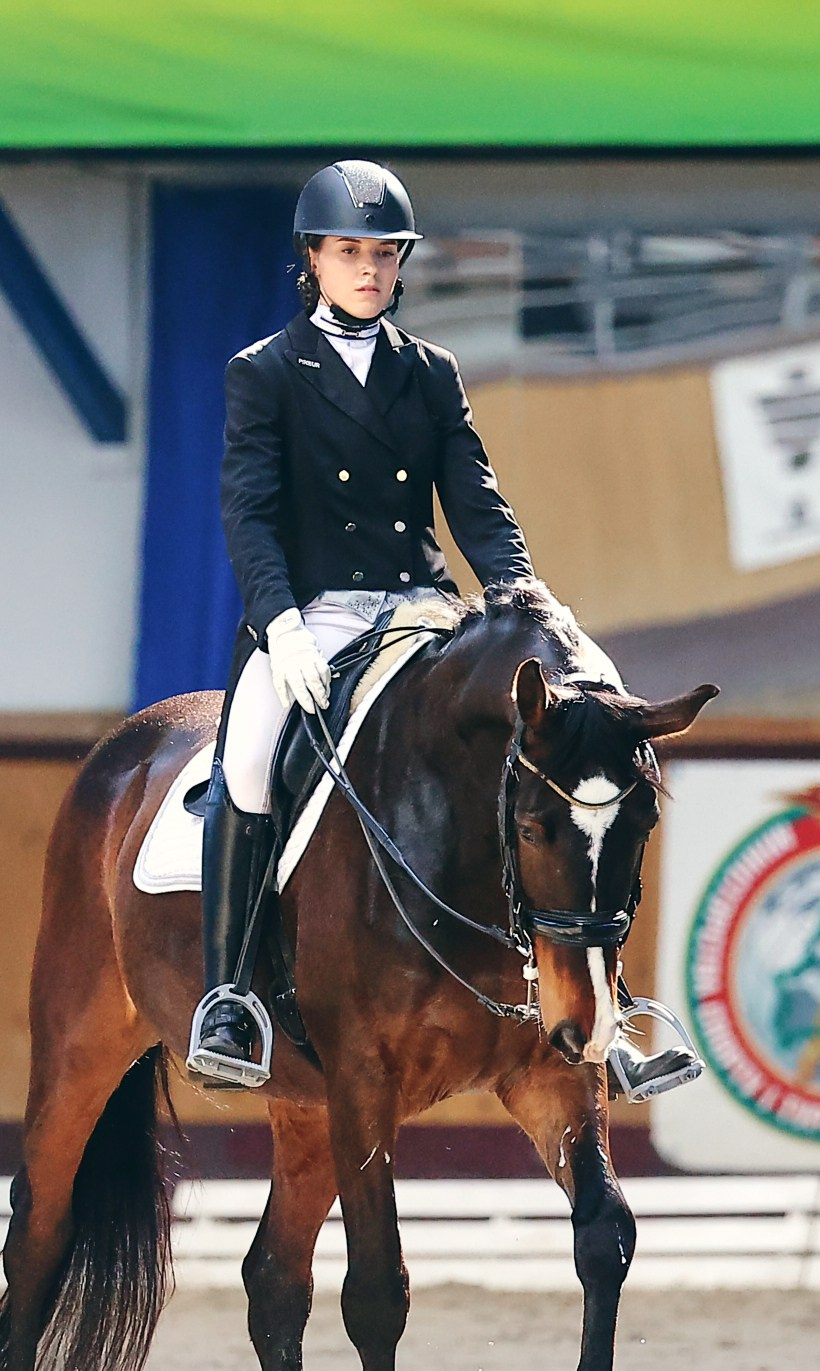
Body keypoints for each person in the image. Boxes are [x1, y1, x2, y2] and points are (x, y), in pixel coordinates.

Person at [185, 159, 701, 1105]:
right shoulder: (262, 374)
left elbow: (474, 497)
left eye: (385, 256)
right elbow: (249, 514)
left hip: (420, 611)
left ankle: (612, 1009)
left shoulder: (429, 374)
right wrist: (281, 624)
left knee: (557, 768)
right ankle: (229, 998)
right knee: (249, 763)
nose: (370, 271)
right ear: (314, 258)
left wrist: (523, 592)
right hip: (310, 614)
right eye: (352, 254)